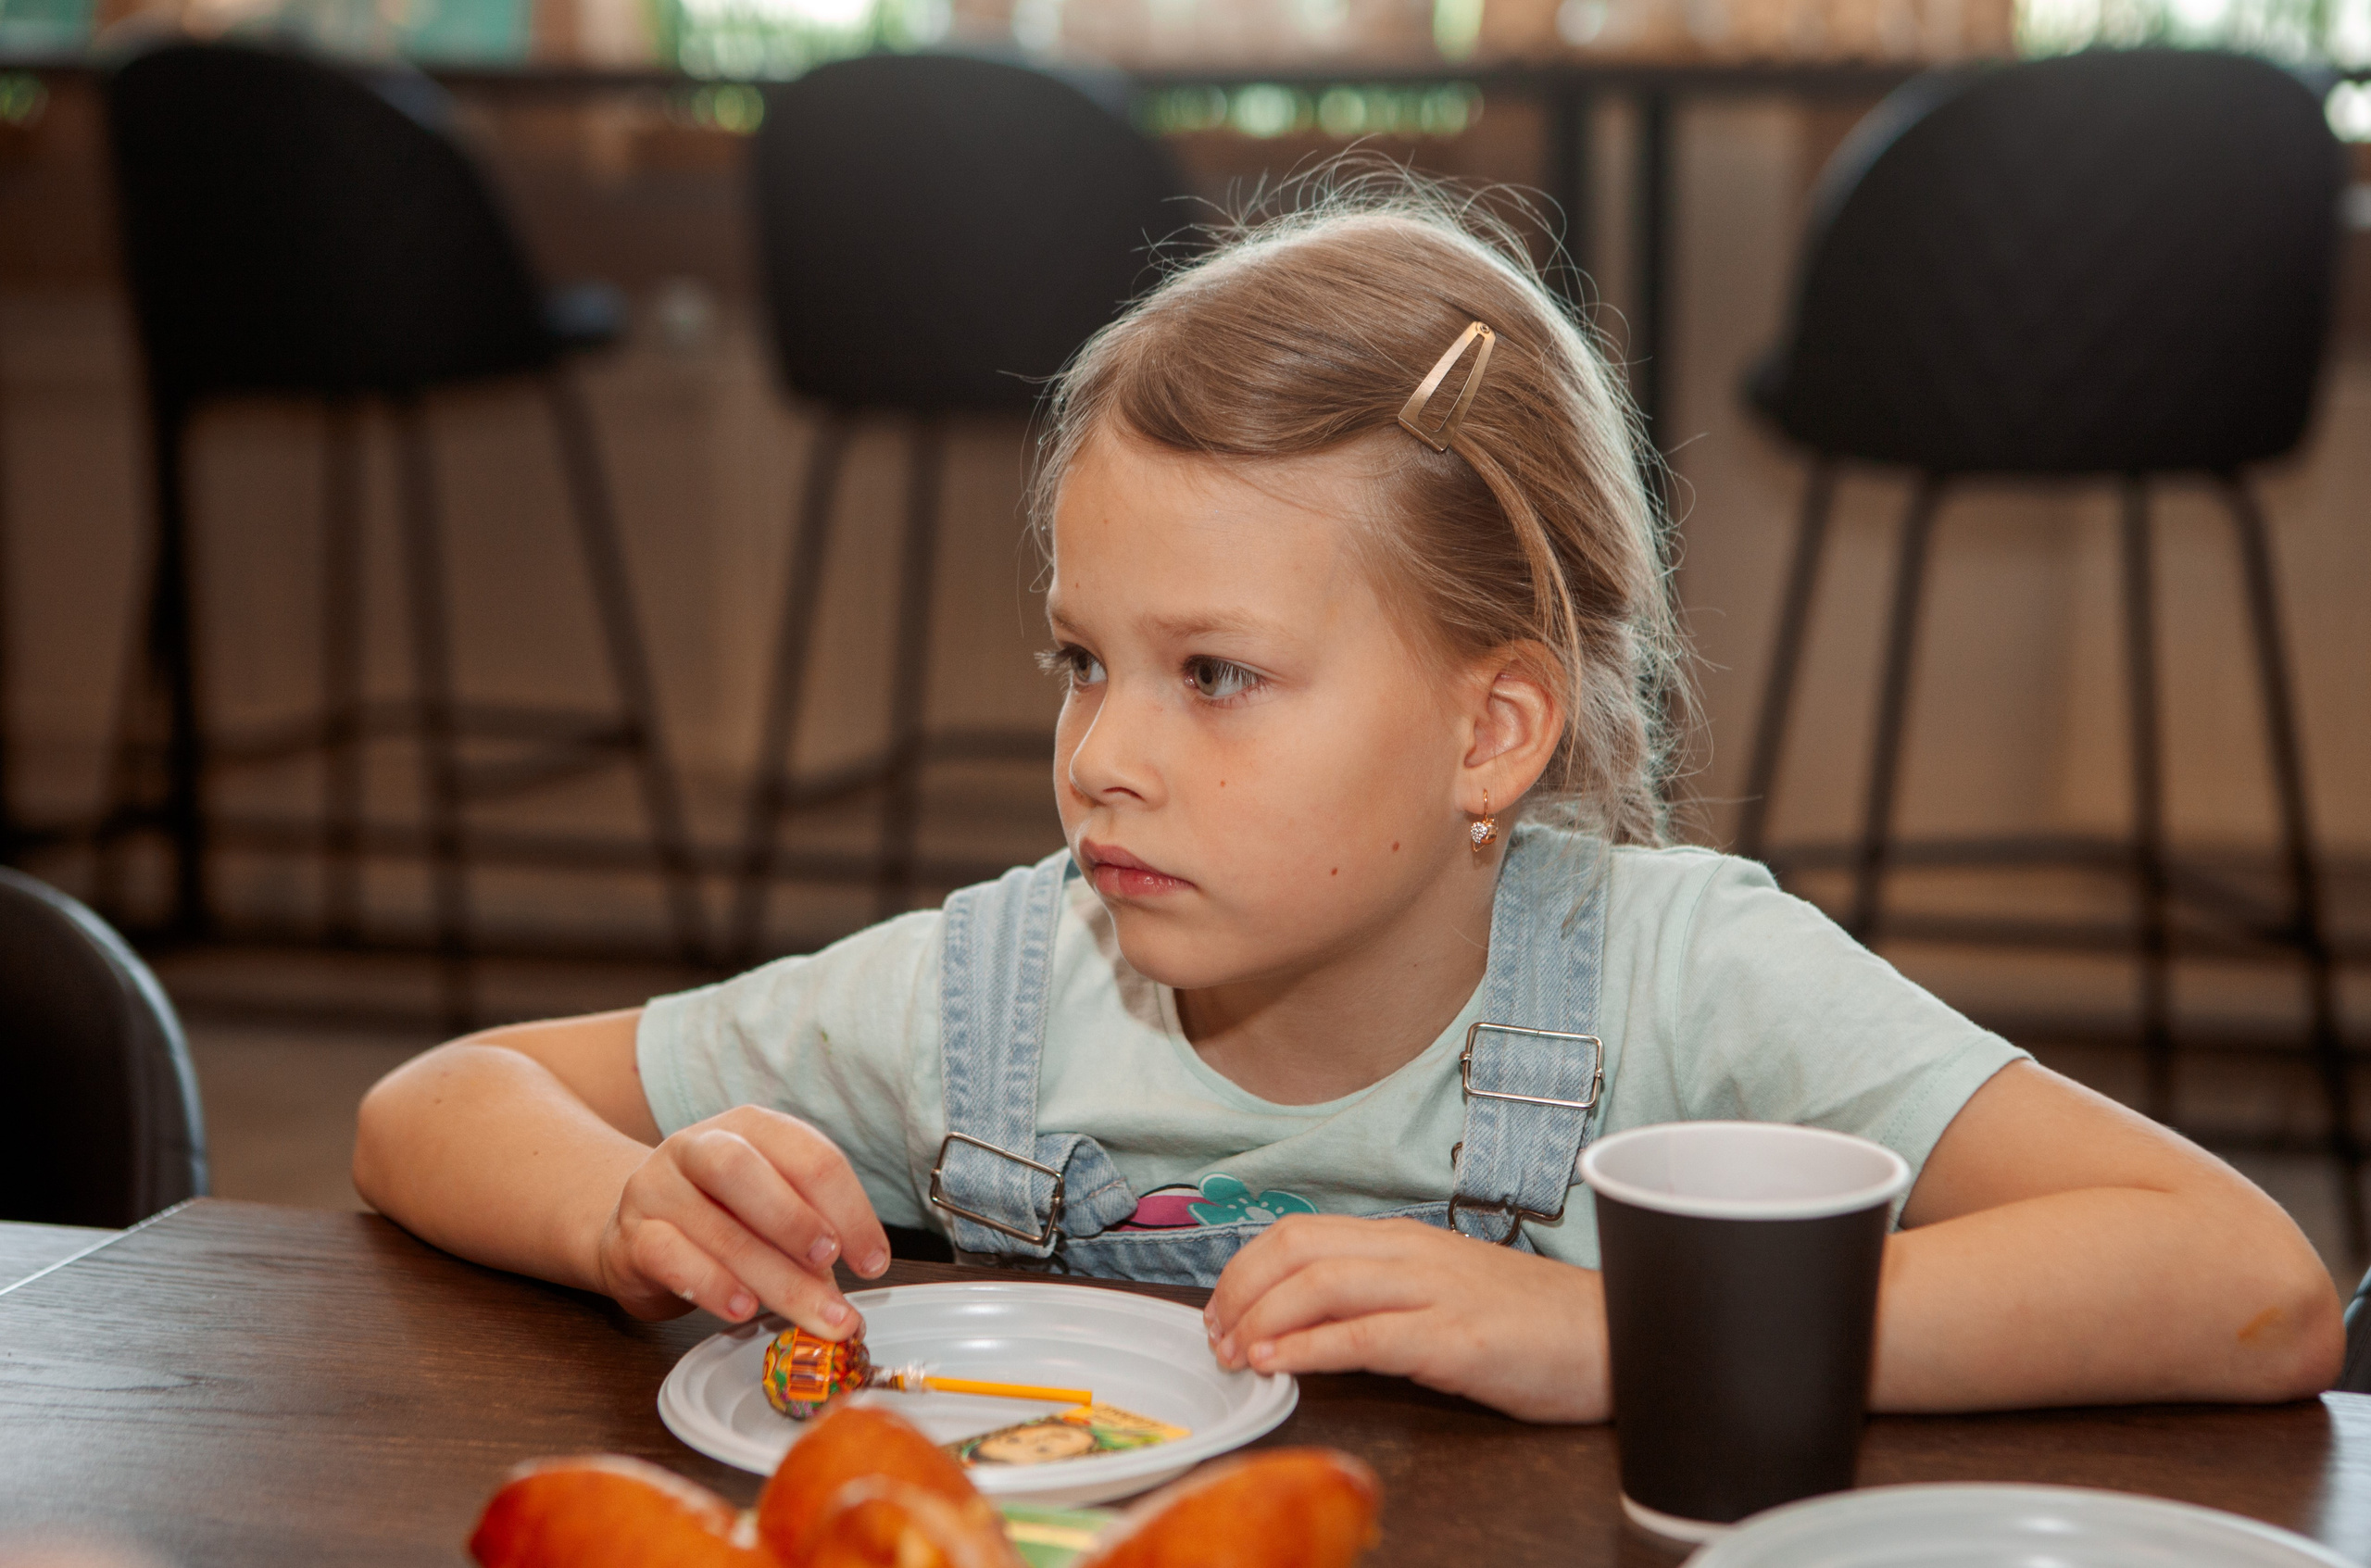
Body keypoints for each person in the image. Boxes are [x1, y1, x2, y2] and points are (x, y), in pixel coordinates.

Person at [354, 173, 2342, 1421]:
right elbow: (425, 1108)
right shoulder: (995, 996)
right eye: (1082, 659)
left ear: (1491, 734)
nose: (1101, 752)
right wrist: (626, 1204)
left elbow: (2243, 1289)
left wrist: (1606, 1337)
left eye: (1214, 675)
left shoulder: (1686, 980)